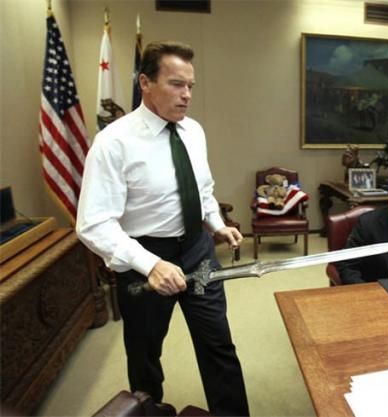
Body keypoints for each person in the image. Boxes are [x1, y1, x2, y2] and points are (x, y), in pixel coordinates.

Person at [76, 41, 249, 416]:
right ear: (145, 83)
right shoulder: (113, 143)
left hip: (198, 252)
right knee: (145, 354)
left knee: (218, 343)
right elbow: (93, 223)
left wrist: (217, 225)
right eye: (176, 84)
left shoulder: (193, 131)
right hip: (144, 259)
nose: (187, 95)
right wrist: (151, 264)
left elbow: (202, 189)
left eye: (190, 86)